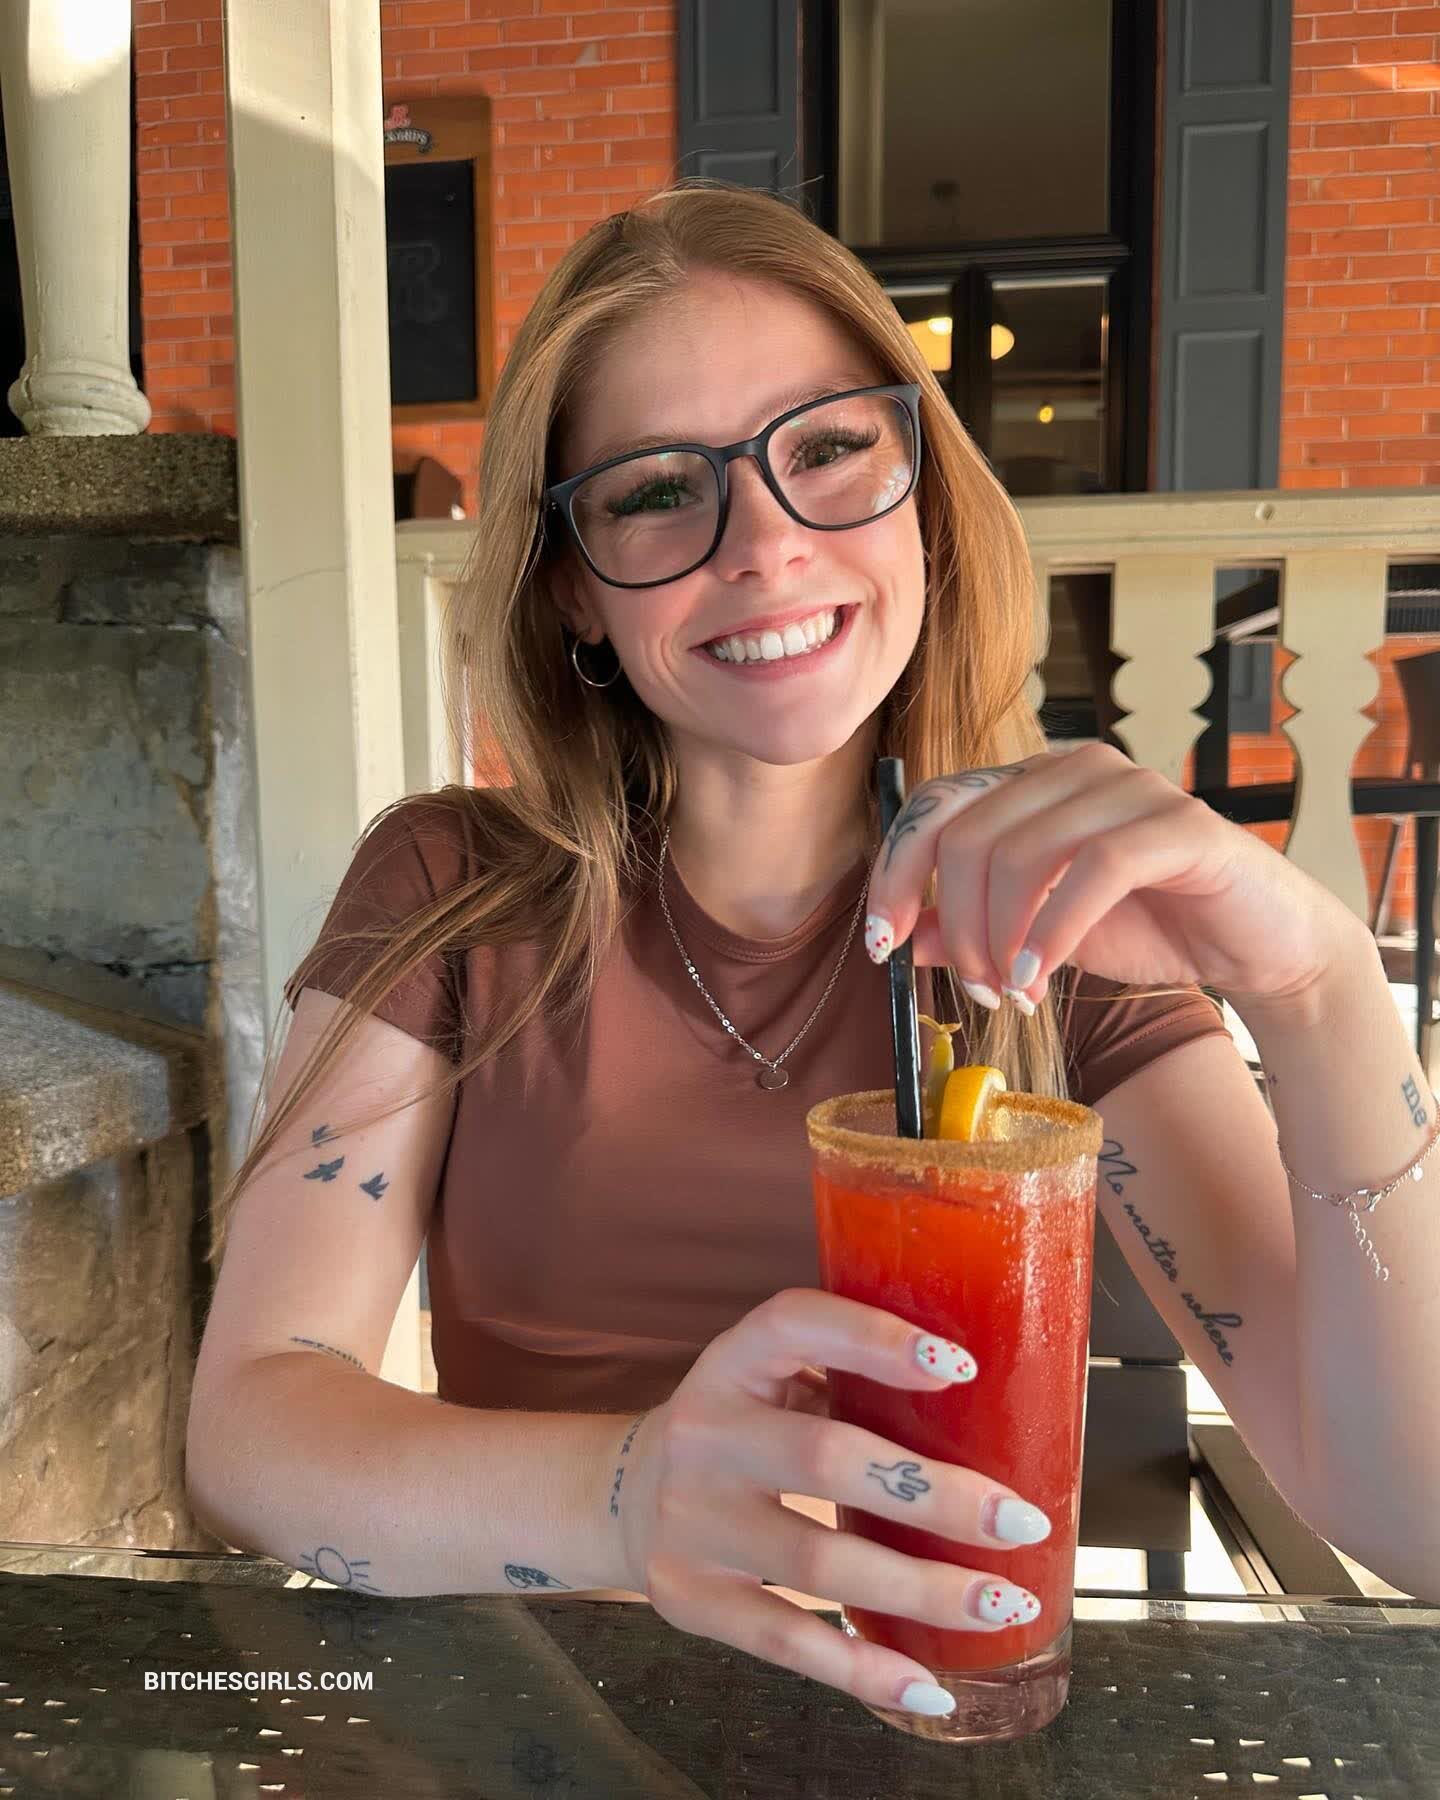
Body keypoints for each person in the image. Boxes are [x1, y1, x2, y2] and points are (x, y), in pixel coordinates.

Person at [186, 180, 1440, 1725]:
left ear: (922, 491)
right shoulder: (456, 892)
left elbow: (1413, 1520)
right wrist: (629, 1497)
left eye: (831, 449)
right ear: (572, 584)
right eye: (658, 489)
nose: (768, 547)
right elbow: (248, 1436)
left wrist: (1321, 993)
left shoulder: (1055, 925)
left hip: (947, 1735)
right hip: (552, 1739)